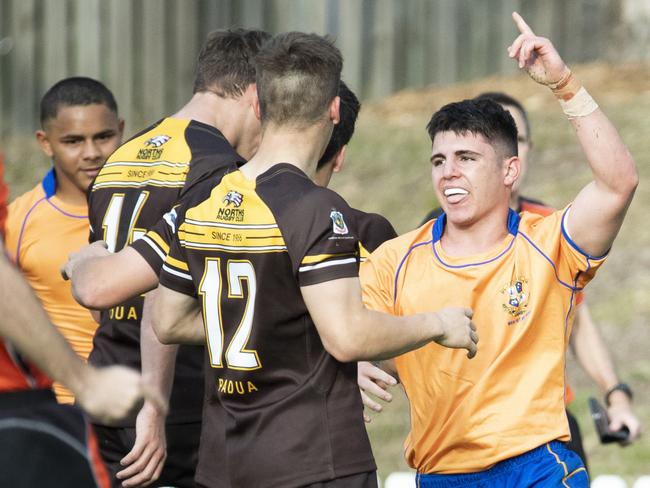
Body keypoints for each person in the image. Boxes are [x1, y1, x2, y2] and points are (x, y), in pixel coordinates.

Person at [153, 32, 478, 487]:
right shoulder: (316, 209)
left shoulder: (200, 199)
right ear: (334, 110)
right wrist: (438, 324)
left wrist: (277, 323)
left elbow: (167, 321)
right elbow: (347, 337)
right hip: (311, 461)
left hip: (223, 462)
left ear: (259, 107)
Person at [359, 12, 637, 486]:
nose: (449, 172)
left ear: (510, 171)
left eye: (467, 159)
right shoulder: (394, 260)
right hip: (441, 472)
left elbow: (618, 184)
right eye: (439, 160)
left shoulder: (547, 240)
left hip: (535, 466)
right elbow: (359, 339)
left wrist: (565, 84)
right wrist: (358, 363)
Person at [62, 29, 270, 488]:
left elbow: (102, 286)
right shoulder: (219, 171)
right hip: (173, 407)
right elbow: (164, 288)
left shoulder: (121, 155)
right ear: (256, 95)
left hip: (104, 387)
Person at [419, 91, 642, 468]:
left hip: (546, 429)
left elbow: (578, 323)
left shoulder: (548, 227)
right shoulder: (430, 237)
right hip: (464, 435)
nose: (513, 152)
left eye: (518, 139)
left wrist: (615, 394)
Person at [0, 153, 164, 487]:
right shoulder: (26, 214)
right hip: (26, 407)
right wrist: (86, 383)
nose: (90, 152)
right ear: (44, 143)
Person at [5, 77, 124, 404]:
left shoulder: (150, 210)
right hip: (62, 407)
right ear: (45, 143)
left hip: (137, 400)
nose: (92, 153)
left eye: (103, 137)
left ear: (122, 130)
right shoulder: (17, 222)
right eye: (73, 141)